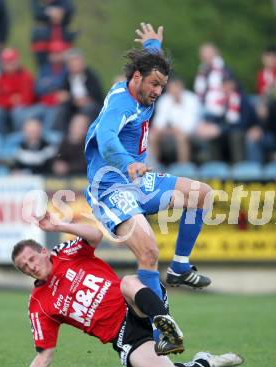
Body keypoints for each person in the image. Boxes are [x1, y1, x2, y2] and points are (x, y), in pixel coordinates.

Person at [0, 212, 243, 367]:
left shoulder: (66, 254)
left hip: (136, 305)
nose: (30, 267)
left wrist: (58, 227)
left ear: (43, 252)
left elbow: (94, 236)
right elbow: (45, 354)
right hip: (124, 337)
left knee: (128, 282)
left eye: (32, 259)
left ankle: (163, 326)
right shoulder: (38, 304)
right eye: (24, 267)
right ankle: (206, 361)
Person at [84, 22, 212, 304]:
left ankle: (179, 267)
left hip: (138, 180)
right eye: (154, 84)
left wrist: (152, 45)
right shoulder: (122, 104)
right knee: (149, 253)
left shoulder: (142, 86)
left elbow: (152, 65)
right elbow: (106, 139)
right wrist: (127, 162)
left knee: (202, 194)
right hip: (110, 187)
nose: (158, 91)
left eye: (162, 86)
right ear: (137, 78)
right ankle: (159, 325)